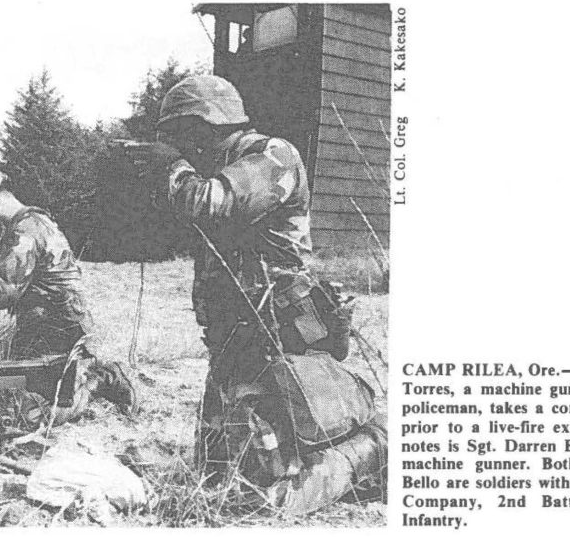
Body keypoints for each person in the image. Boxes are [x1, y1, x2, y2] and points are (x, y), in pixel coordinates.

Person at [128, 75, 387, 514]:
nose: (179, 146)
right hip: (237, 342)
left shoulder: (273, 156)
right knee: (214, 472)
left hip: (278, 336)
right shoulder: (223, 165)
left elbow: (208, 202)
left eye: (179, 135)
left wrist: (170, 164)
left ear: (203, 125)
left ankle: (376, 446)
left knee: (267, 500)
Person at [0, 168, 136, 424]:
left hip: (59, 329)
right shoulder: (32, 223)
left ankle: (101, 378)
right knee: (14, 401)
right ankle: (82, 377)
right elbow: (4, 282)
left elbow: (2, 291)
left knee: (33, 417)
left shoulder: (27, 231)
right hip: (43, 326)